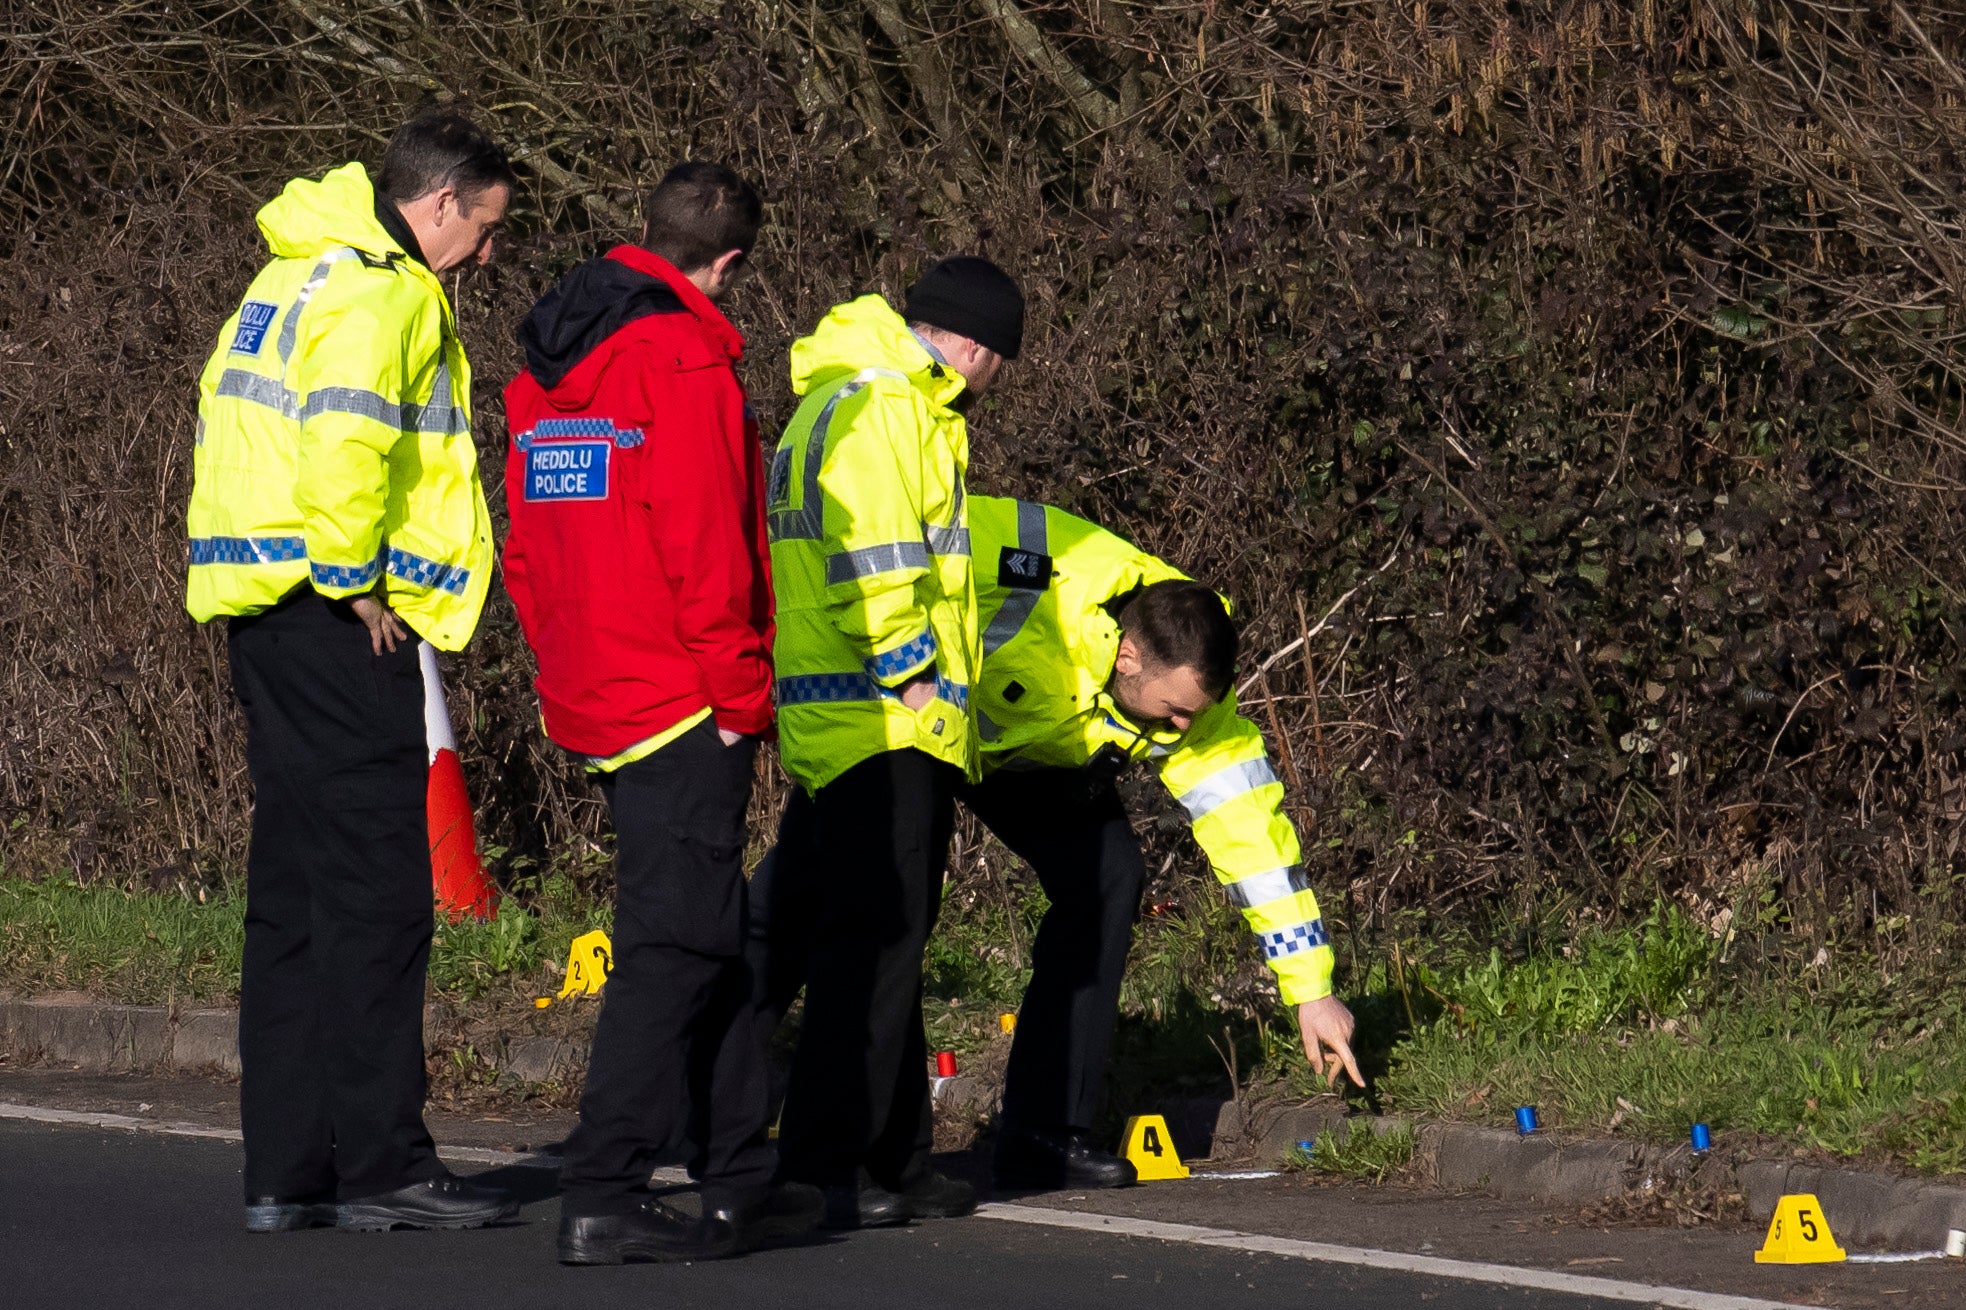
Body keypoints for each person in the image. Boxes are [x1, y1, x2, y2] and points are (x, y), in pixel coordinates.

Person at [753, 496, 1362, 1191]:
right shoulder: (1028, 564)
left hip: (1025, 753)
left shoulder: (1192, 682)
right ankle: (702, 1085)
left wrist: (1311, 990)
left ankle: (1044, 1133)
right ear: (1127, 656)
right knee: (818, 902)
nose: (1183, 727)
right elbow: (876, 567)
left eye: (1193, 714)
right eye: (1173, 712)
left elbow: (1251, 831)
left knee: (1106, 878)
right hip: (909, 720)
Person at [186, 108, 517, 1233]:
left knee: (292, 898)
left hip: (263, 611)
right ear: (437, 205)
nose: (487, 252)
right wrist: (356, 579)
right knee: (379, 894)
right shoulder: (381, 289)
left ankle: (287, 1168)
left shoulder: (297, 272)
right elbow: (347, 437)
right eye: (484, 227)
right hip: (336, 617)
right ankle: (385, 1161)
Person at [502, 162, 819, 1264]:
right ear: (727, 263)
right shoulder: (681, 356)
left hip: (598, 685)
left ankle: (738, 1171)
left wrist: (559, 663)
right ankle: (602, 1185)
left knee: (707, 926)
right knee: (672, 944)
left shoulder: (549, 365)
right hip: (681, 693)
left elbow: (526, 547)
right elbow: (707, 548)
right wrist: (741, 695)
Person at [764, 257, 1024, 1227]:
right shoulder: (886, 409)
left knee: (883, 943)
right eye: (998, 359)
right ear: (972, 346)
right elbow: (872, 560)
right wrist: (917, 675)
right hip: (885, 716)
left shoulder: (837, 395)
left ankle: (893, 1157)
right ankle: (828, 1167)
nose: (992, 380)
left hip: (843, 718)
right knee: (866, 950)